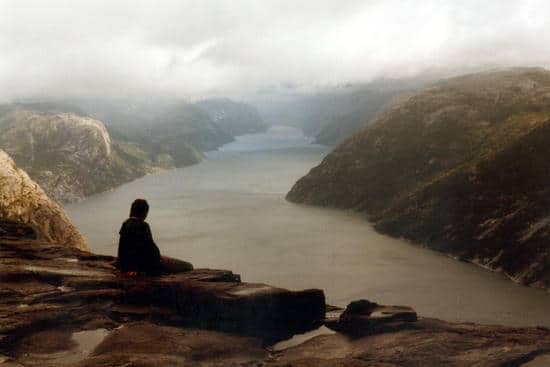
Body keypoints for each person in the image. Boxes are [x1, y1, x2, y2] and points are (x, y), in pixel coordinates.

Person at [115, 199, 161, 275]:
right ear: (144, 213)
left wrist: (122, 265)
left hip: (125, 265)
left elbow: (122, 247)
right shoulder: (144, 226)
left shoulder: (125, 223)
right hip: (138, 266)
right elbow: (150, 246)